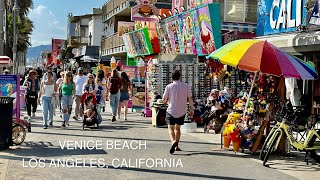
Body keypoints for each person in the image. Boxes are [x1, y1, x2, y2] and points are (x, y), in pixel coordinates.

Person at [162, 70, 194, 154]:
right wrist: (191, 109)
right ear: (180, 77)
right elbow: (190, 98)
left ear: (171, 77)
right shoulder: (186, 86)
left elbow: (164, 99)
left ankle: (173, 142)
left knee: (170, 128)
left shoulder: (169, 86)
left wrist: (165, 101)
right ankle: (176, 146)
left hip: (171, 110)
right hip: (182, 110)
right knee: (178, 129)